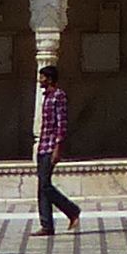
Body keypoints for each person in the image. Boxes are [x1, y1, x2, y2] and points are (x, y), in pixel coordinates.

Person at [32, 61, 77, 237]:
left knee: (45, 185)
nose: (40, 80)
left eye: (42, 77)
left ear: (49, 79)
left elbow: (61, 123)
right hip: (43, 145)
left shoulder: (59, 96)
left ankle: (71, 210)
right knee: (42, 186)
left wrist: (58, 147)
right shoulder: (47, 97)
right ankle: (46, 225)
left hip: (51, 146)